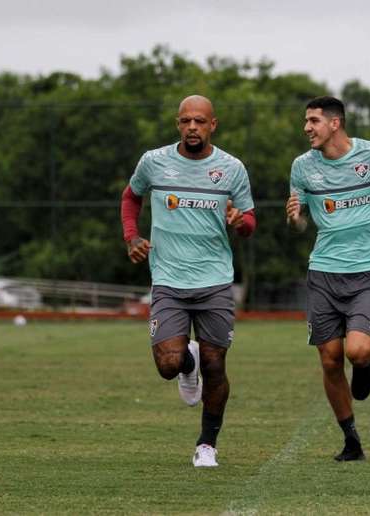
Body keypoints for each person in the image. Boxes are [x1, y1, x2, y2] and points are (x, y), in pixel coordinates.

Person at [120, 95, 256, 468]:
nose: (191, 127)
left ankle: (207, 445)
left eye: (199, 121)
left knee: (215, 364)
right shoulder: (154, 162)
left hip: (214, 280)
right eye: (185, 121)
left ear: (213, 124)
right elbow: (131, 197)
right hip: (168, 279)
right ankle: (185, 362)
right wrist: (132, 237)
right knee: (168, 364)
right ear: (178, 124)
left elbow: (249, 223)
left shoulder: (232, 168)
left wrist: (238, 221)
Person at [286, 96, 370, 461]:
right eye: (306, 121)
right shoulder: (302, 167)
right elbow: (300, 223)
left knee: (357, 351)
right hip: (323, 272)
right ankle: (351, 439)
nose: (307, 128)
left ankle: (365, 364)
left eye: (313, 120)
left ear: (335, 123)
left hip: (367, 271)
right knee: (330, 360)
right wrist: (296, 218)